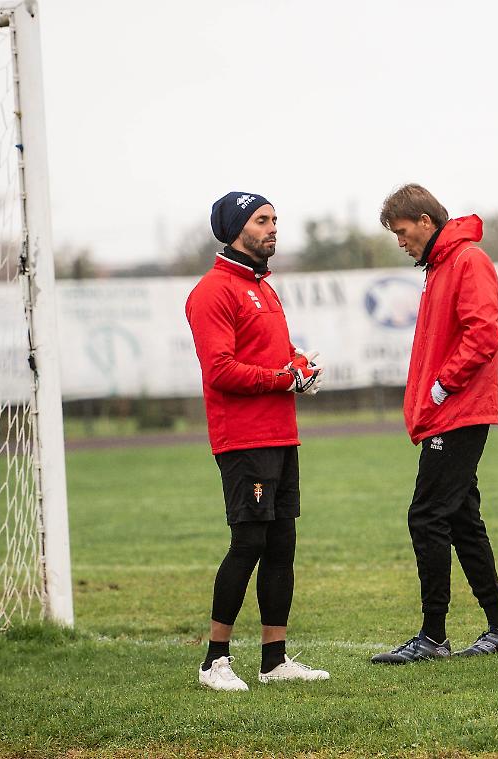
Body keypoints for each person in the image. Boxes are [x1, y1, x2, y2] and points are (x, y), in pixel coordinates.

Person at [370, 183, 498, 664]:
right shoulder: (440, 266)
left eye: (402, 231)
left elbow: (484, 333)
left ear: (426, 221)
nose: (400, 241)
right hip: (448, 411)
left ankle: (433, 635)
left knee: (427, 516)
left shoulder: (467, 261)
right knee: (460, 520)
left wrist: (443, 385)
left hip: (459, 411)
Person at [186, 191, 328, 691]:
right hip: (243, 440)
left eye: (274, 219)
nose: (272, 228)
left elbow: (277, 353)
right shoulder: (212, 291)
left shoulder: (263, 287)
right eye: (262, 220)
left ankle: (274, 660)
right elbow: (221, 370)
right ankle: (215, 661)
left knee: (281, 544)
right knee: (248, 542)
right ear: (235, 229)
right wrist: (283, 379)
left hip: (281, 435)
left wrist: (300, 366)